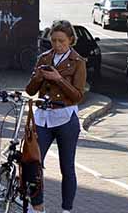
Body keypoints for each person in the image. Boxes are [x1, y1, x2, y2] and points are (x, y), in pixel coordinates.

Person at [25, 20, 86, 213]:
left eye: (61, 41)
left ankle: (66, 209)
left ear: (70, 41)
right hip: (43, 116)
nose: (57, 45)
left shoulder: (78, 62)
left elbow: (77, 96)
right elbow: (30, 90)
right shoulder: (44, 58)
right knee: (34, 162)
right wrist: (38, 77)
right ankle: (38, 205)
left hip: (66, 118)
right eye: (53, 41)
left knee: (67, 167)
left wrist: (58, 79)